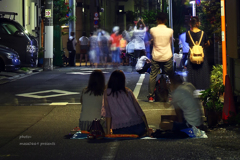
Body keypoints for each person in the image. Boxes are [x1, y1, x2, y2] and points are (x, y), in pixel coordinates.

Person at [101, 70, 149, 136]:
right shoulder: (128, 91)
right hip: (138, 126)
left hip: (120, 128)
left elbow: (108, 114)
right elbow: (140, 111)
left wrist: (108, 132)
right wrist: (147, 127)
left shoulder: (107, 93)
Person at [148, 12, 174, 102]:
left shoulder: (152, 30)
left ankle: (151, 96)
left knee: (153, 76)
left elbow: (153, 40)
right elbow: (170, 41)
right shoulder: (170, 31)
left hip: (156, 56)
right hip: (167, 55)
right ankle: (170, 96)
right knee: (170, 76)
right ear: (166, 20)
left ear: (157, 20)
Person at [186, 17, 210, 90]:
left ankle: (192, 88)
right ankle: (203, 88)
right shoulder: (203, 33)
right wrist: (202, 47)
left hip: (192, 54)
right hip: (201, 54)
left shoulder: (188, 33)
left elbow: (189, 44)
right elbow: (208, 43)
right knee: (202, 71)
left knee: (192, 72)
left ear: (191, 24)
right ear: (197, 23)